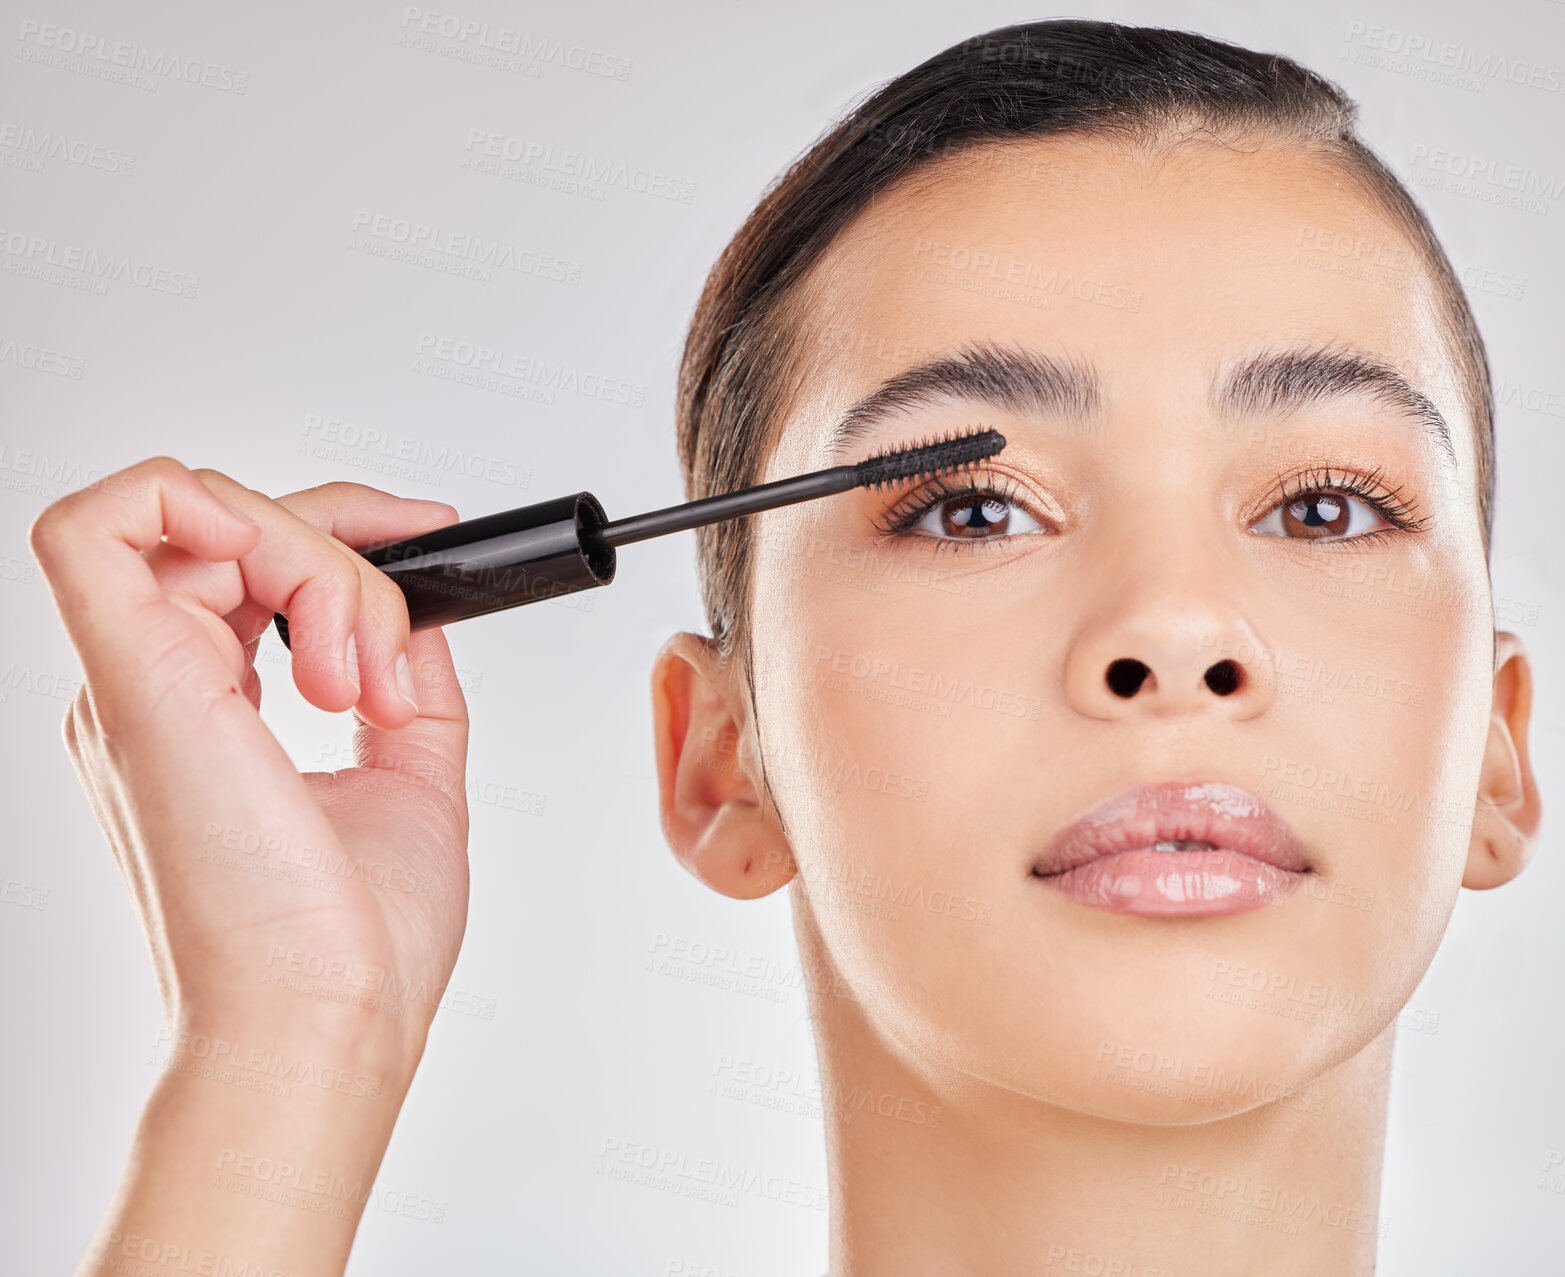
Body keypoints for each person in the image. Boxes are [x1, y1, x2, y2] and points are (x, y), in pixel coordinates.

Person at [30, 19, 1543, 1277]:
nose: (1171, 632)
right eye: (969, 513)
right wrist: (285, 1042)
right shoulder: (288, 1050)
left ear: (1495, 747)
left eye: (1326, 506)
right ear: (719, 758)